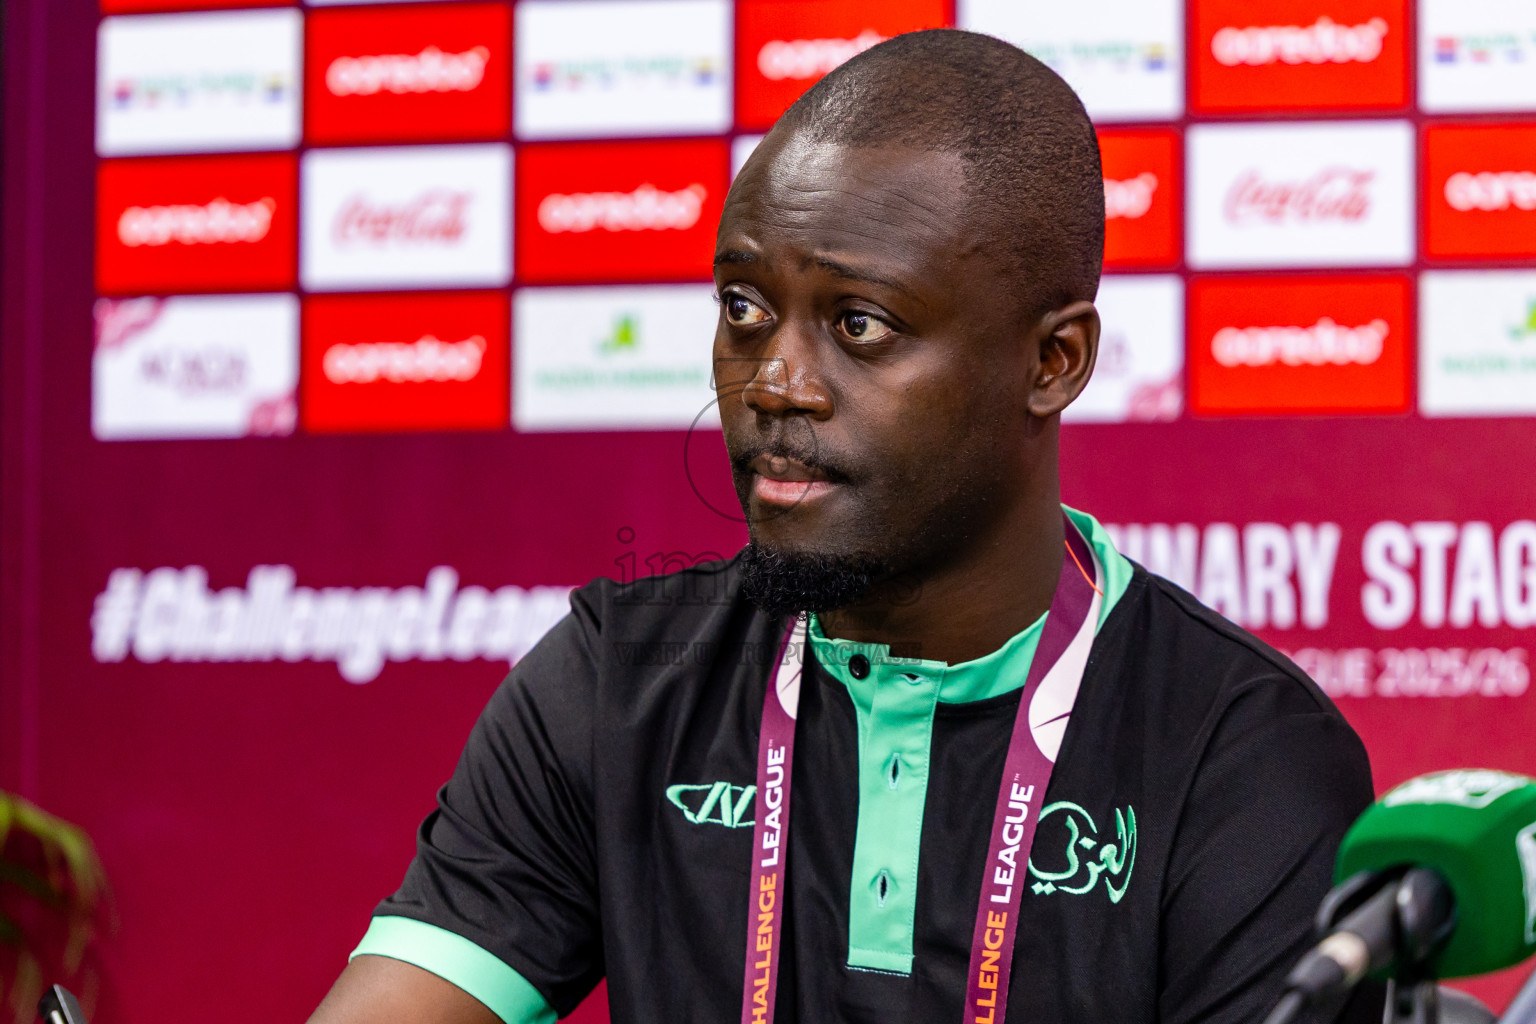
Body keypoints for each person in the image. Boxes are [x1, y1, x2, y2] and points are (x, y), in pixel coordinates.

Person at [309, 29, 1380, 1024]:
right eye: (743, 308)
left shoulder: (1239, 756)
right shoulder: (618, 679)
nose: (775, 380)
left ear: (1051, 363)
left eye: (859, 324)